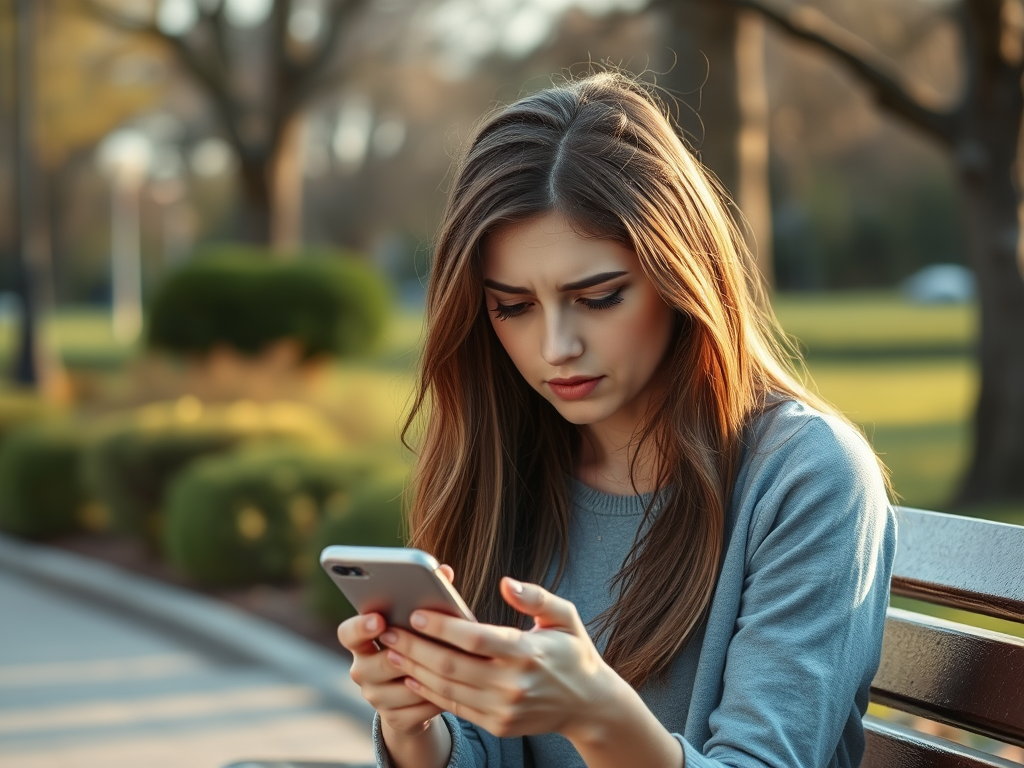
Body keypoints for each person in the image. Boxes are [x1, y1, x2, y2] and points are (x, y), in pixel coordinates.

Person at [336, 71, 897, 768]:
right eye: (513, 307)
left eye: (598, 297)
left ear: (681, 275)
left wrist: (597, 714)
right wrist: (415, 726)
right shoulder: (512, 461)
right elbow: (489, 748)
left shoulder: (806, 476)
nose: (555, 348)